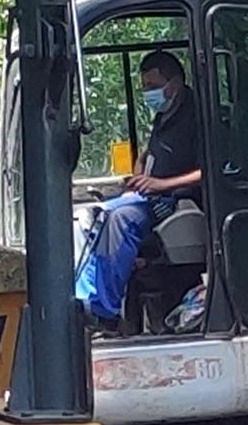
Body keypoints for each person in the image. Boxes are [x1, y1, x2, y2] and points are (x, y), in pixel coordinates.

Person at [74, 45, 206, 327]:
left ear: (174, 84)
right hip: (148, 195)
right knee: (88, 216)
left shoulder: (199, 116)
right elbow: (148, 153)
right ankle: (86, 299)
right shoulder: (164, 117)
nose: (148, 93)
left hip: (176, 200)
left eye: (153, 86)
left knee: (120, 220)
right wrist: (136, 180)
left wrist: (161, 184)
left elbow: (209, 171)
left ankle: (107, 313)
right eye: (144, 86)